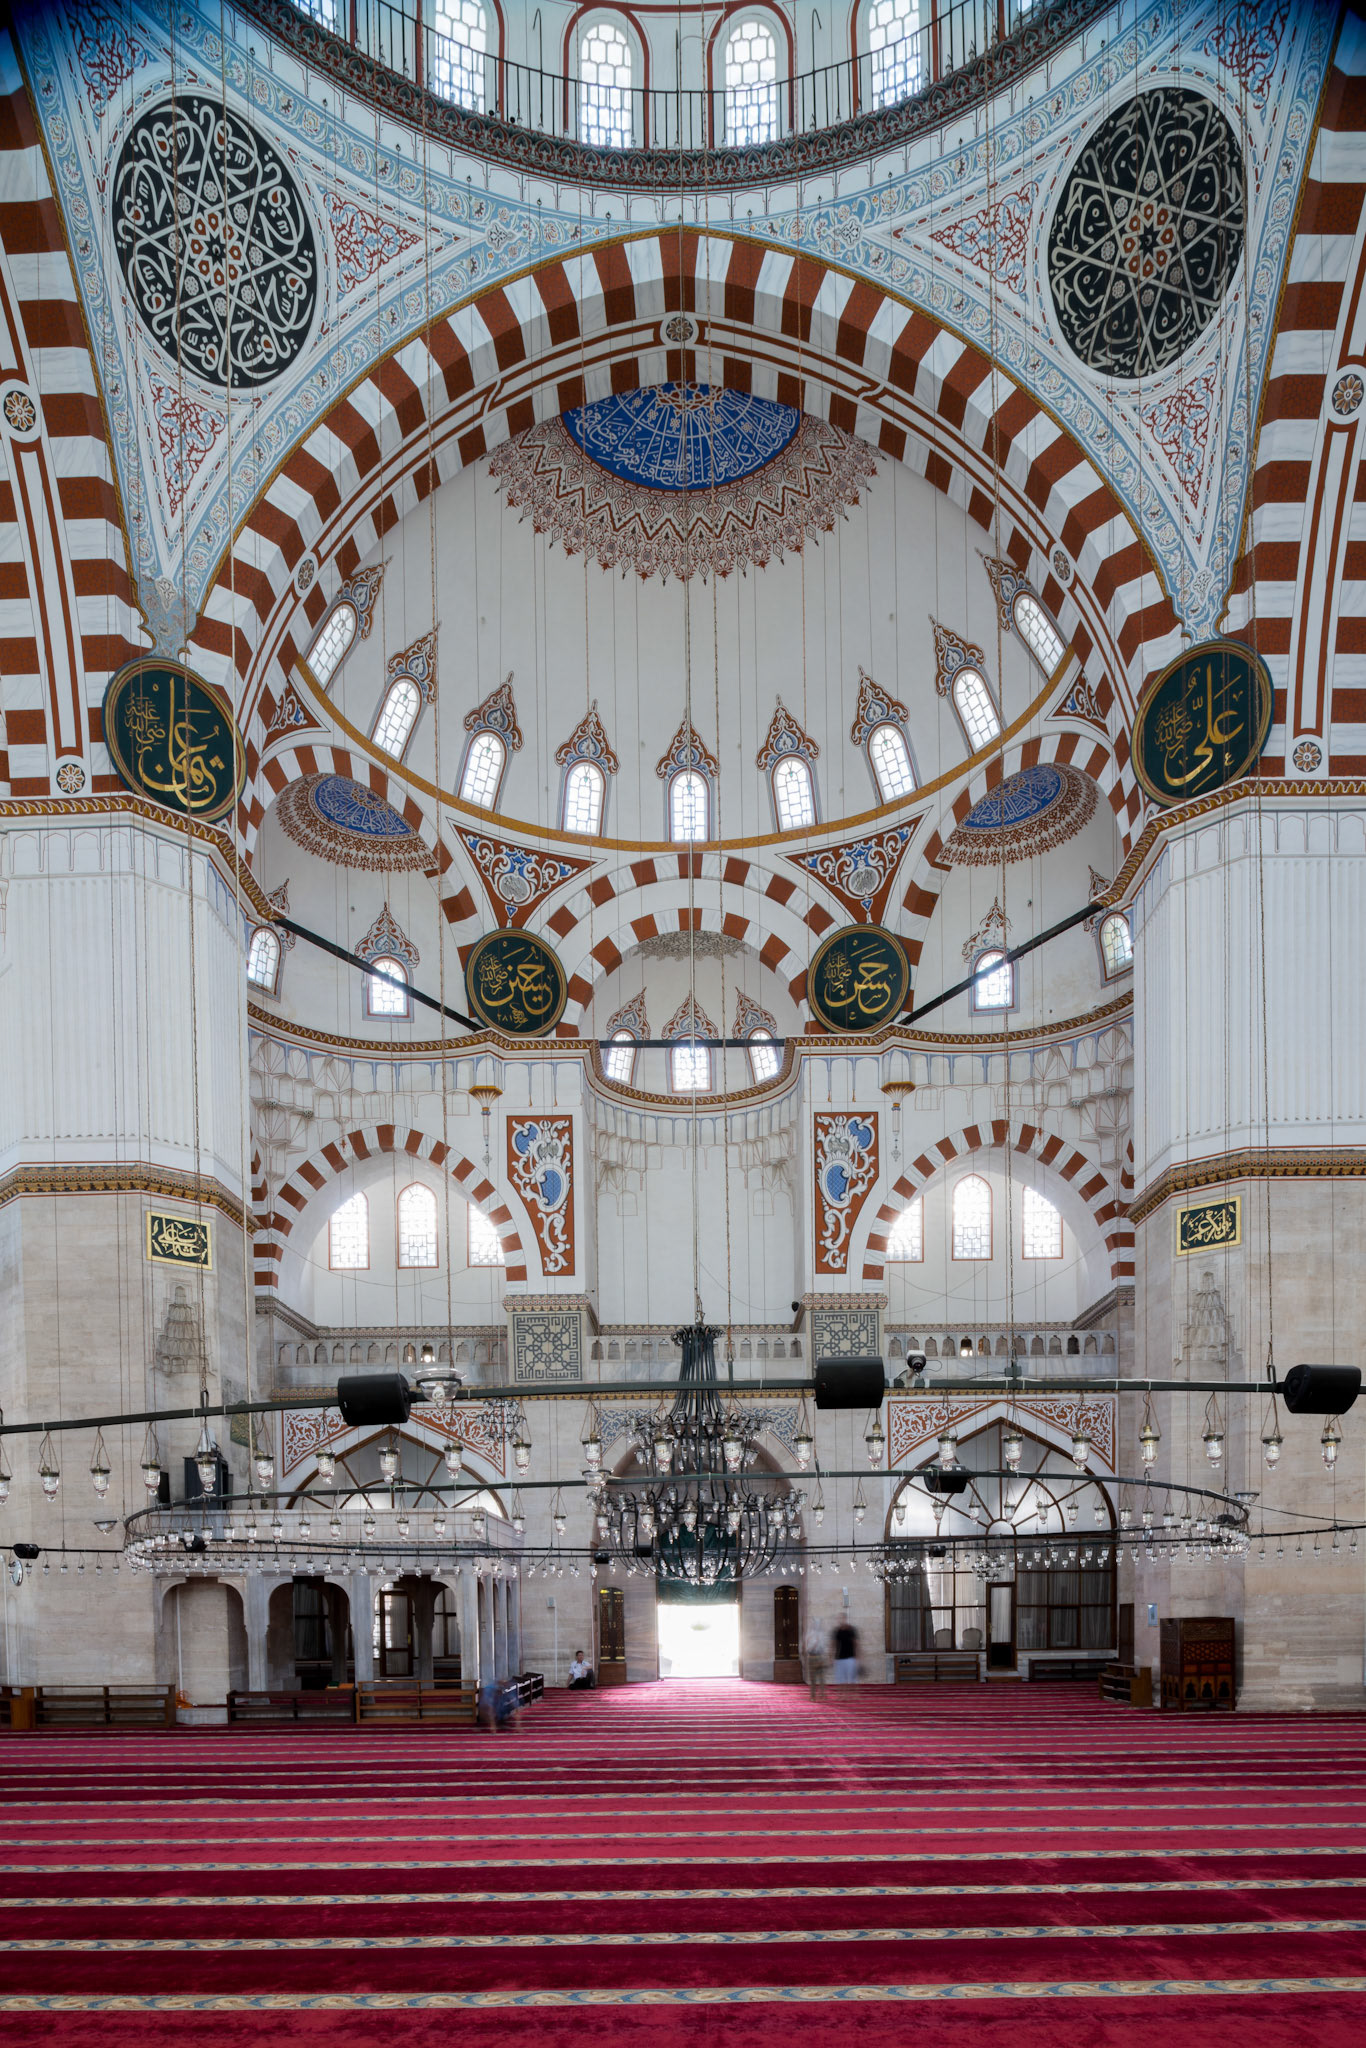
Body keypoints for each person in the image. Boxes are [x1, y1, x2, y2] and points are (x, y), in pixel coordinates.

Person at [804, 1617, 829, 1700]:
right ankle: (813, 1696)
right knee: (813, 1678)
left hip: (820, 1657)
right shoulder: (809, 1634)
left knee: (821, 1677)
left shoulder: (821, 1635)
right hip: (812, 1657)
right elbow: (807, 1648)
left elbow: (824, 1647)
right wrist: (814, 1644)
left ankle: (822, 1695)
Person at [832, 1618, 859, 1686]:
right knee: (840, 1679)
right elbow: (834, 1644)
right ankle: (842, 1695)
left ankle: (853, 1695)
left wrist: (857, 1656)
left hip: (850, 1658)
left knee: (852, 1679)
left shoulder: (851, 1630)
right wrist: (831, 1656)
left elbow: (855, 1643)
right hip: (839, 1658)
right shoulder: (837, 1631)